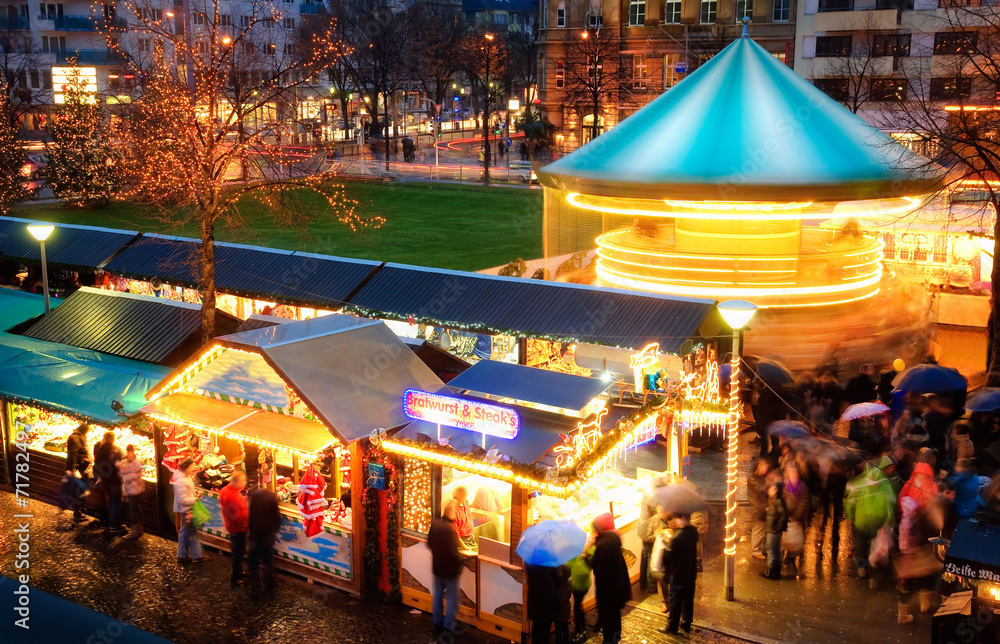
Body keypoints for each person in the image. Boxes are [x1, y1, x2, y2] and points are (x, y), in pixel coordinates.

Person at [844, 459, 895, 582]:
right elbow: (850, 503)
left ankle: (870, 569)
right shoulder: (863, 485)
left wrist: (887, 522)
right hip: (862, 523)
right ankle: (862, 567)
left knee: (871, 547)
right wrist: (852, 518)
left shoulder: (884, 486)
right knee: (861, 547)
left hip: (875, 524)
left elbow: (890, 506)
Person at [427, 503, 467, 641]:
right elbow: (453, 550)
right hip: (450, 569)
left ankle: (437, 623)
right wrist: (460, 559)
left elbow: (429, 543)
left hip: (437, 567)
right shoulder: (450, 529)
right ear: (453, 514)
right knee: (452, 598)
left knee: (437, 594)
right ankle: (448, 625)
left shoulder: (435, 524)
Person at [590, 513, 630, 644]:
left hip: (607, 589)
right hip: (617, 586)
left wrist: (588, 555)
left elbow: (597, 568)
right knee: (615, 615)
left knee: (608, 617)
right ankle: (616, 637)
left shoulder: (602, 545)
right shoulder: (613, 538)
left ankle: (609, 641)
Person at [659, 513, 699, 637]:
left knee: (675, 601)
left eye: (673, 520)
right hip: (691, 573)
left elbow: (670, 557)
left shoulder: (677, 537)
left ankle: (672, 627)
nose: (671, 523)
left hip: (678, 575)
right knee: (688, 600)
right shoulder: (693, 531)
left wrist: (664, 548)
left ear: (681, 519)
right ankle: (686, 624)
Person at [637, 474, 670, 591]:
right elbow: (660, 513)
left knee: (645, 555)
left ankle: (642, 583)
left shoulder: (648, 492)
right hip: (650, 531)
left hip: (643, 529)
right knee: (652, 558)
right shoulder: (654, 497)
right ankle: (651, 587)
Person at [248, 483, 281, 596]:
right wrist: (273, 532)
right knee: (268, 561)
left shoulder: (254, 501)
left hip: (255, 535)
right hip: (267, 535)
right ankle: (269, 585)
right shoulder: (272, 499)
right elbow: (277, 518)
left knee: (254, 561)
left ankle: (255, 585)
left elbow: (250, 518)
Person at [526, 563, 571, 644]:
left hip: (534, 603)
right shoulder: (549, 567)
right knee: (544, 631)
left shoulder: (530, 564)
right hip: (546, 605)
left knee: (536, 628)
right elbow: (559, 581)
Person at [172, 459, 206, 563]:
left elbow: (187, 493)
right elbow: (182, 499)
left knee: (189, 531)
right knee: (188, 532)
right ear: (186, 468)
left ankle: (191, 555)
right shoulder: (181, 481)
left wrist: (195, 493)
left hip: (188, 509)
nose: (193, 468)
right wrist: (195, 499)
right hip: (186, 510)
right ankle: (187, 555)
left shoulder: (185, 477)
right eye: (191, 466)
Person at [220, 471, 250, 587]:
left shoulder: (225, 491)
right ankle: (236, 577)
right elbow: (238, 516)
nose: (245, 483)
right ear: (237, 482)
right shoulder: (233, 496)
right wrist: (248, 521)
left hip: (231, 527)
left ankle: (239, 571)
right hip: (239, 529)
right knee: (238, 552)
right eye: (243, 481)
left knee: (236, 551)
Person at [93, 431, 125, 534]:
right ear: (113, 439)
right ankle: (114, 525)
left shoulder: (101, 449)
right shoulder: (113, 451)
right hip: (114, 481)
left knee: (111, 502)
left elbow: (97, 465)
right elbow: (120, 460)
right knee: (115, 502)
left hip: (105, 480)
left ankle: (110, 523)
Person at [116, 445, 145, 540]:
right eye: (128, 452)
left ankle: (135, 531)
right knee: (135, 509)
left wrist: (124, 472)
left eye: (131, 452)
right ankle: (139, 529)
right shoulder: (126, 463)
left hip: (135, 491)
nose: (129, 455)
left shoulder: (136, 464)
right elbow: (121, 474)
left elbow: (130, 476)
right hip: (131, 490)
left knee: (133, 511)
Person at [566, 545, 594, 644]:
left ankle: (580, 631)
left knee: (577, 608)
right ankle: (583, 628)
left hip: (578, 588)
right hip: (584, 585)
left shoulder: (571, 560)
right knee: (578, 606)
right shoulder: (577, 556)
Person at [65, 423, 92, 522]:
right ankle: (77, 511)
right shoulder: (76, 438)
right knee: (79, 490)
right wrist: (74, 469)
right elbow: (73, 454)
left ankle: (80, 508)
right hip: (79, 470)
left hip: (82, 469)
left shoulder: (78, 436)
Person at [761, 482, 787, 580]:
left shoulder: (778, 501)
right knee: (775, 551)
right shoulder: (775, 501)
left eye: (772, 489)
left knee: (772, 551)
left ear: (776, 491)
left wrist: (776, 529)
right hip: (773, 529)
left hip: (773, 530)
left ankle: (770, 573)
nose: (770, 490)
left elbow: (783, 516)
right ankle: (776, 573)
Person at [748, 458, 771, 560]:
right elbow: (756, 495)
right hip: (758, 509)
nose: (765, 468)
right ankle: (756, 550)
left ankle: (761, 548)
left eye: (766, 466)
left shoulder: (763, 478)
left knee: (763, 529)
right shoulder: (753, 480)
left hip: (763, 508)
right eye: (763, 466)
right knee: (758, 530)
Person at [450, 487, 477, 551]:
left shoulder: (466, 504)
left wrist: (472, 533)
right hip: (463, 541)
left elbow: (469, 517)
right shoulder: (453, 511)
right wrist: (464, 546)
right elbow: (455, 533)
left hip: (471, 539)